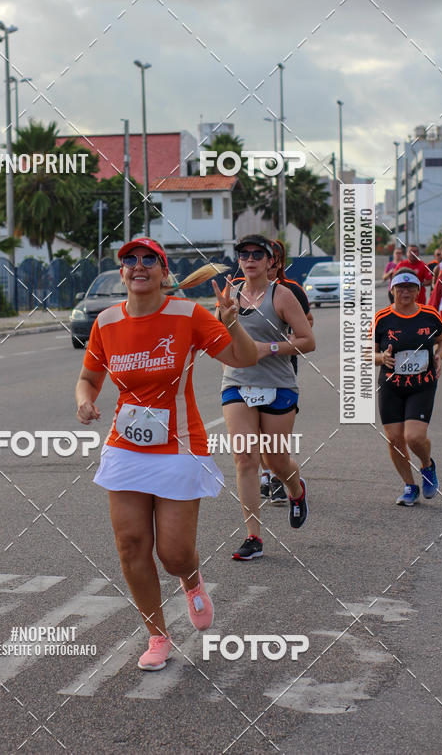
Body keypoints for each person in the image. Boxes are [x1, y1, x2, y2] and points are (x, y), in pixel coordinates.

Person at [75, 237, 258, 670]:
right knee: (131, 546)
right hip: (126, 446)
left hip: (179, 445)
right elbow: (88, 377)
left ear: (163, 270)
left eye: (148, 260)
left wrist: (232, 323)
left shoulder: (188, 314)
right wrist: (84, 400)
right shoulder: (106, 321)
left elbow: (244, 359)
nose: (138, 267)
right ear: (122, 273)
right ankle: (157, 635)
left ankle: (191, 581)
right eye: (129, 261)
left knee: (173, 553)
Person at [219, 234, 316, 561]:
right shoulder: (230, 294)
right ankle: (253, 536)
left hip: (278, 383)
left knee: (275, 459)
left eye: (257, 254)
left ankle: (296, 490)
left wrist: (269, 348)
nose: (249, 259)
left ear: (270, 260)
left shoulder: (282, 295)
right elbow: (220, 339)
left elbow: (307, 340)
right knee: (245, 457)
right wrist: (226, 320)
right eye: (243, 254)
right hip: (237, 382)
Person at [373, 270, 442, 506]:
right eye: (400, 287)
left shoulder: (429, 314)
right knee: (394, 439)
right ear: (392, 290)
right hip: (391, 385)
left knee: (414, 437)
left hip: (422, 384)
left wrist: (440, 355)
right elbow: (367, 352)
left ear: (418, 291)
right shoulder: (382, 318)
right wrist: (381, 358)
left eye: (411, 287)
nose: (405, 292)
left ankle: (427, 465)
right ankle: (409, 486)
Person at [260, 240, 313, 504]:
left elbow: (308, 324)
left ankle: (280, 474)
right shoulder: (240, 289)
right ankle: (267, 474)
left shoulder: (290, 290)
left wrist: (281, 343)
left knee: (275, 430)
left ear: (277, 261)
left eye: (270, 257)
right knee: (254, 428)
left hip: (281, 366)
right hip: (248, 369)